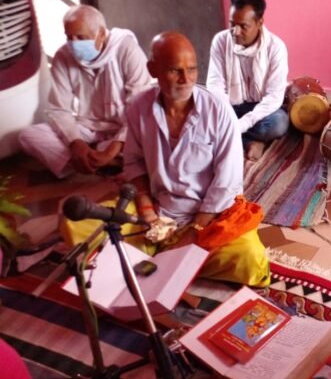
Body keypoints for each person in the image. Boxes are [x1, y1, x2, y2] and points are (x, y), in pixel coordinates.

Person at [61, 32, 270, 286]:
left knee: (250, 258)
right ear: (153, 70)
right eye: (174, 71)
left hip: (208, 217)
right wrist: (148, 213)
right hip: (157, 209)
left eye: (191, 69)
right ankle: (167, 257)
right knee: (76, 225)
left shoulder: (219, 111)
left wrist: (192, 236)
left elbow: (227, 183)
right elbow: (134, 163)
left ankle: (149, 255)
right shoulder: (139, 108)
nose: (186, 79)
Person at [18, 5, 151, 178]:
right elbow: (58, 109)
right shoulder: (63, 56)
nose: (74, 44)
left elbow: (140, 107)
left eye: (81, 37)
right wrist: (75, 142)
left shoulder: (126, 49)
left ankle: (102, 160)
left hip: (125, 129)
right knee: (29, 136)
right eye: (69, 37)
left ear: (101, 34)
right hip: (88, 127)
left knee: (153, 137)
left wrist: (112, 150)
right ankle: (95, 161)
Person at [206, 0, 289, 161]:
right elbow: (215, 85)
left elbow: (273, 97)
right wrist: (228, 118)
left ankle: (230, 138)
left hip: (260, 110)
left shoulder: (276, 47)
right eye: (232, 24)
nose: (235, 32)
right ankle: (250, 142)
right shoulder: (220, 41)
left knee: (279, 123)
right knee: (199, 116)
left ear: (259, 22)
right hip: (230, 107)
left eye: (243, 26)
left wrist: (240, 125)